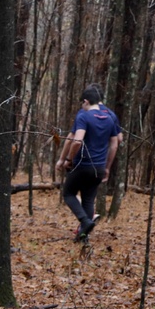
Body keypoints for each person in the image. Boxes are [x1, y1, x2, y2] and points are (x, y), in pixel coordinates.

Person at [56, 85, 123, 242]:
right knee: (88, 199)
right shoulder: (110, 117)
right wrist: (106, 167)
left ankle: (85, 221)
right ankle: (83, 236)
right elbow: (115, 143)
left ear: (86, 101)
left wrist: (68, 159)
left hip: (82, 165)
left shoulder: (84, 116)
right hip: (98, 168)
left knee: (68, 193)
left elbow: (77, 140)